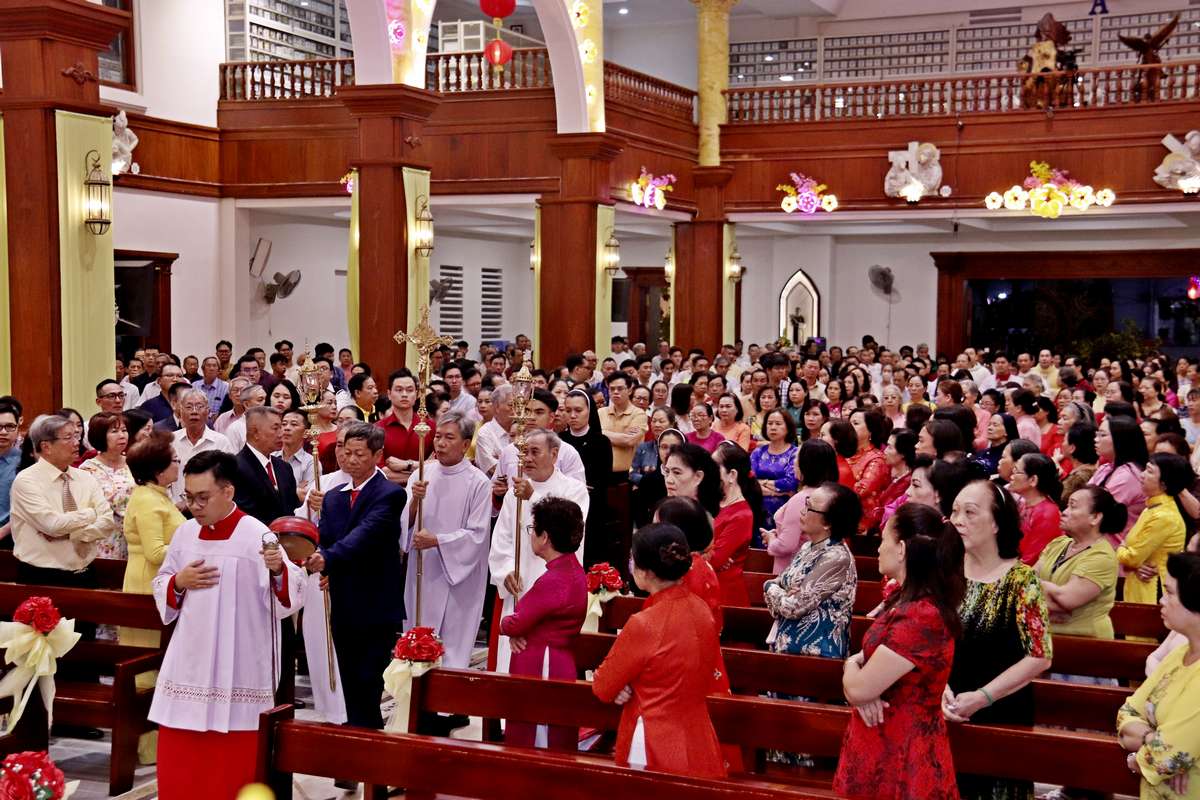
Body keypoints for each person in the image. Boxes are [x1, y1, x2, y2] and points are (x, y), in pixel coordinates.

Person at [149, 450, 305, 800]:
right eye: (189, 497)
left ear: (228, 491)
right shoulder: (185, 534)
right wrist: (179, 582)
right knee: (182, 763)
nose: (194, 506)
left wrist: (278, 569)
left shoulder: (256, 535)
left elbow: (291, 593)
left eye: (202, 497)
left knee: (230, 767)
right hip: (189, 662)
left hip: (239, 664)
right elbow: (161, 583)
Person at [834, 502, 965, 800]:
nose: (879, 548)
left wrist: (852, 664)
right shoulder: (904, 599)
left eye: (884, 540)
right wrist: (862, 679)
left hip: (903, 748)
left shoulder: (922, 615)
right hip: (881, 736)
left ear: (902, 549)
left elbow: (858, 689)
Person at [944, 480, 1053, 800]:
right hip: (944, 706)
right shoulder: (945, 572)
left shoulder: (1021, 579)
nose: (958, 520)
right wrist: (938, 687)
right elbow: (925, 639)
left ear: (996, 523)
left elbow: (1040, 655)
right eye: (954, 511)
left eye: (969, 512)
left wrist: (982, 697)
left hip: (1000, 709)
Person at [592, 523, 726, 779]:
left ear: (646, 572)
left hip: (653, 739)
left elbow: (603, 686)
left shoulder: (645, 624)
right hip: (699, 736)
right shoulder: (702, 610)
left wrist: (627, 685)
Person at [310, 422, 407, 734]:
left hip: (376, 601)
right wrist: (320, 560)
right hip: (344, 600)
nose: (350, 460)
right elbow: (326, 536)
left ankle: (366, 741)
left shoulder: (390, 494)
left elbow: (365, 535)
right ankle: (359, 739)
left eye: (359, 454)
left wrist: (329, 558)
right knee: (350, 678)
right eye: (346, 452)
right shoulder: (333, 497)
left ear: (378, 455)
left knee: (369, 678)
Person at [489, 429, 589, 673]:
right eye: (524, 452)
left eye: (535, 452)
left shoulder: (574, 490)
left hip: (555, 587)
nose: (528, 458)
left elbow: (566, 529)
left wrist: (533, 497)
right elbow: (502, 538)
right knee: (511, 659)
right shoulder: (515, 492)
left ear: (554, 454)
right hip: (520, 582)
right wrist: (506, 571)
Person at [400, 411, 491, 668]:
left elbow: (478, 534)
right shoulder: (421, 474)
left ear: (465, 444)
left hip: (459, 574)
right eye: (437, 436)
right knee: (418, 639)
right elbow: (404, 524)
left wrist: (438, 541)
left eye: (449, 438)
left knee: (452, 649)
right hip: (423, 569)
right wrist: (415, 501)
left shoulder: (479, 482)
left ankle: (450, 691)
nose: (440, 443)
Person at [499, 497, 588, 751]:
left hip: (542, 663)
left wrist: (508, 625)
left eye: (532, 528)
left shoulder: (554, 580)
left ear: (545, 537)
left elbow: (515, 623)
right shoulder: (572, 569)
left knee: (538, 738)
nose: (531, 534)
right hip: (557, 658)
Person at [121, 432, 185, 763]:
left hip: (157, 580)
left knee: (159, 661)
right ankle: (146, 747)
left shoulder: (159, 495)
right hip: (147, 583)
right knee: (145, 664)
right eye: (174, 460)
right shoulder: (147, 499)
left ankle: (161, 739)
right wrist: (193, 547)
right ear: (158, 469)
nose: (179, 464)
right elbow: (156, 551)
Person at [1116, 552, 1200, 799]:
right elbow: (1127, 711)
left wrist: (1141, 757)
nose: (1161, 601)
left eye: (1170, 593)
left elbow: (1169, 756)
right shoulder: (1179, 655)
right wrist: (1152, 739)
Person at [9, 414, 113, 586]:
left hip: (85, 571)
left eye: (77, 436)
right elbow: (53, 525)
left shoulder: (85, 477)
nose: (76, 442)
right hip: (41, 575)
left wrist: (73, 533)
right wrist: (91, 514)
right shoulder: (26, 481)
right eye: (68, 437)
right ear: (46, 446)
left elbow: (107, 522)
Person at [764, 482, 860, 658]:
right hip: (789, 647)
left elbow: (794, 607)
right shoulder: (808, 547)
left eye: (809, 507)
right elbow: (782, 586)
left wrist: (769, 587)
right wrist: (782, 591)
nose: (802, 511)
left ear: (828, 522)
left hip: (817, 655)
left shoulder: (837, 557)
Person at [1035, 486, 1123, 640]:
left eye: (1073, 506)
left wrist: (1036, 589)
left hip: (1085, 643)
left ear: (1095, 517)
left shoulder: (1101, 556)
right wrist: (1051, 600)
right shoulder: (1058, 544)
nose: (1064, 512)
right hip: (1046, 637)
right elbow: (1024, 581)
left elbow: (1067, 598)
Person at [1119, 452, 1193, 606]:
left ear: (1164, 484)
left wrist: (1121, 547)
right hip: (1139, 585)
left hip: (1153, 591)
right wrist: (1129, 555)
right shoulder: (1152, 508)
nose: (1142, 475)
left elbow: (1131, 558)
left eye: (1149, 471)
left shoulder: (1163, 516)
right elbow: (1133, 558)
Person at [765, 439, 839, 574]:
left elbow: (785, 546)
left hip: (792, 571)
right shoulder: (833, 494)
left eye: (797, 458)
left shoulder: (802, 499)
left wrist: (771, 539)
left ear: (807, 465)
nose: (793, 462)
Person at [559, 389, 613, 567]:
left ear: (590, 411)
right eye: (568, 410)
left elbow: (601, 480)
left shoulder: (601, 442)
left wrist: (579, 488)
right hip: (561, 506)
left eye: (578, 410)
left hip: (592, 509)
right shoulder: (559, 440)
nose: (573, 415)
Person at [80, 412, 135, 560]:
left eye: (124, 430)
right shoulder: (87, 469)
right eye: (114, 431)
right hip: (103, 540)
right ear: (100, 436)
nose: (122, 435)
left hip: (134, 537)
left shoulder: (135, 463)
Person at [231, 406, 298, 526]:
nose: (281, 433)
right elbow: (245, 516)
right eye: (275, 428)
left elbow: (293, 508)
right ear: (255, 433)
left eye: (281, 427)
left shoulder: (284, 467)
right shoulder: (236, 467)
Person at [710, 443, 759, 606]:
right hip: (707, 586)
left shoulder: (742, 515)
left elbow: (715, 560)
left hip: (724, 596)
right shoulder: (713, 502)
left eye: (714, 466)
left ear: (731, 474)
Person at [1008, 452, 1063, 566]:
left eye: (1016, 471)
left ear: (1033, 480)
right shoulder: (1022, 503)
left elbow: (1031, 560)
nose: (1011, 476)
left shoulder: (1047, 514)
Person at [751, 409, 799, 535]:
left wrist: (761, 483)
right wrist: (777, 492)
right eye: (770, 423)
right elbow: (749, 482)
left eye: (778, 424)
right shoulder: (758, 452)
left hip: (784, 510)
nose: (773, 427)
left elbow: (790, 483)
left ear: (788, 427)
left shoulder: (795, 453)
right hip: (758, 508)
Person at [847, 408, 891, 532]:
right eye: (849, 423)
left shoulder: (877, 459)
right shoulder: (845, 453)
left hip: (863, 523)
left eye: (855, 423)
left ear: (870, 431)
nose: (849, 427)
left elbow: (861, 490)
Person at [663, 442, 721, 518]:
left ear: (698, 477)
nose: (668, 480)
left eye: (677, 473)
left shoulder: (706, 519)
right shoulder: (664, 511)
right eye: (667, 472)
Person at [1060, 422, 1099, 503]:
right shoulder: (1091, 470)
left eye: (1064, 440)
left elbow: (1060, 501)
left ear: (1072, 448)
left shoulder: (1079, 478)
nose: (1062, 444)